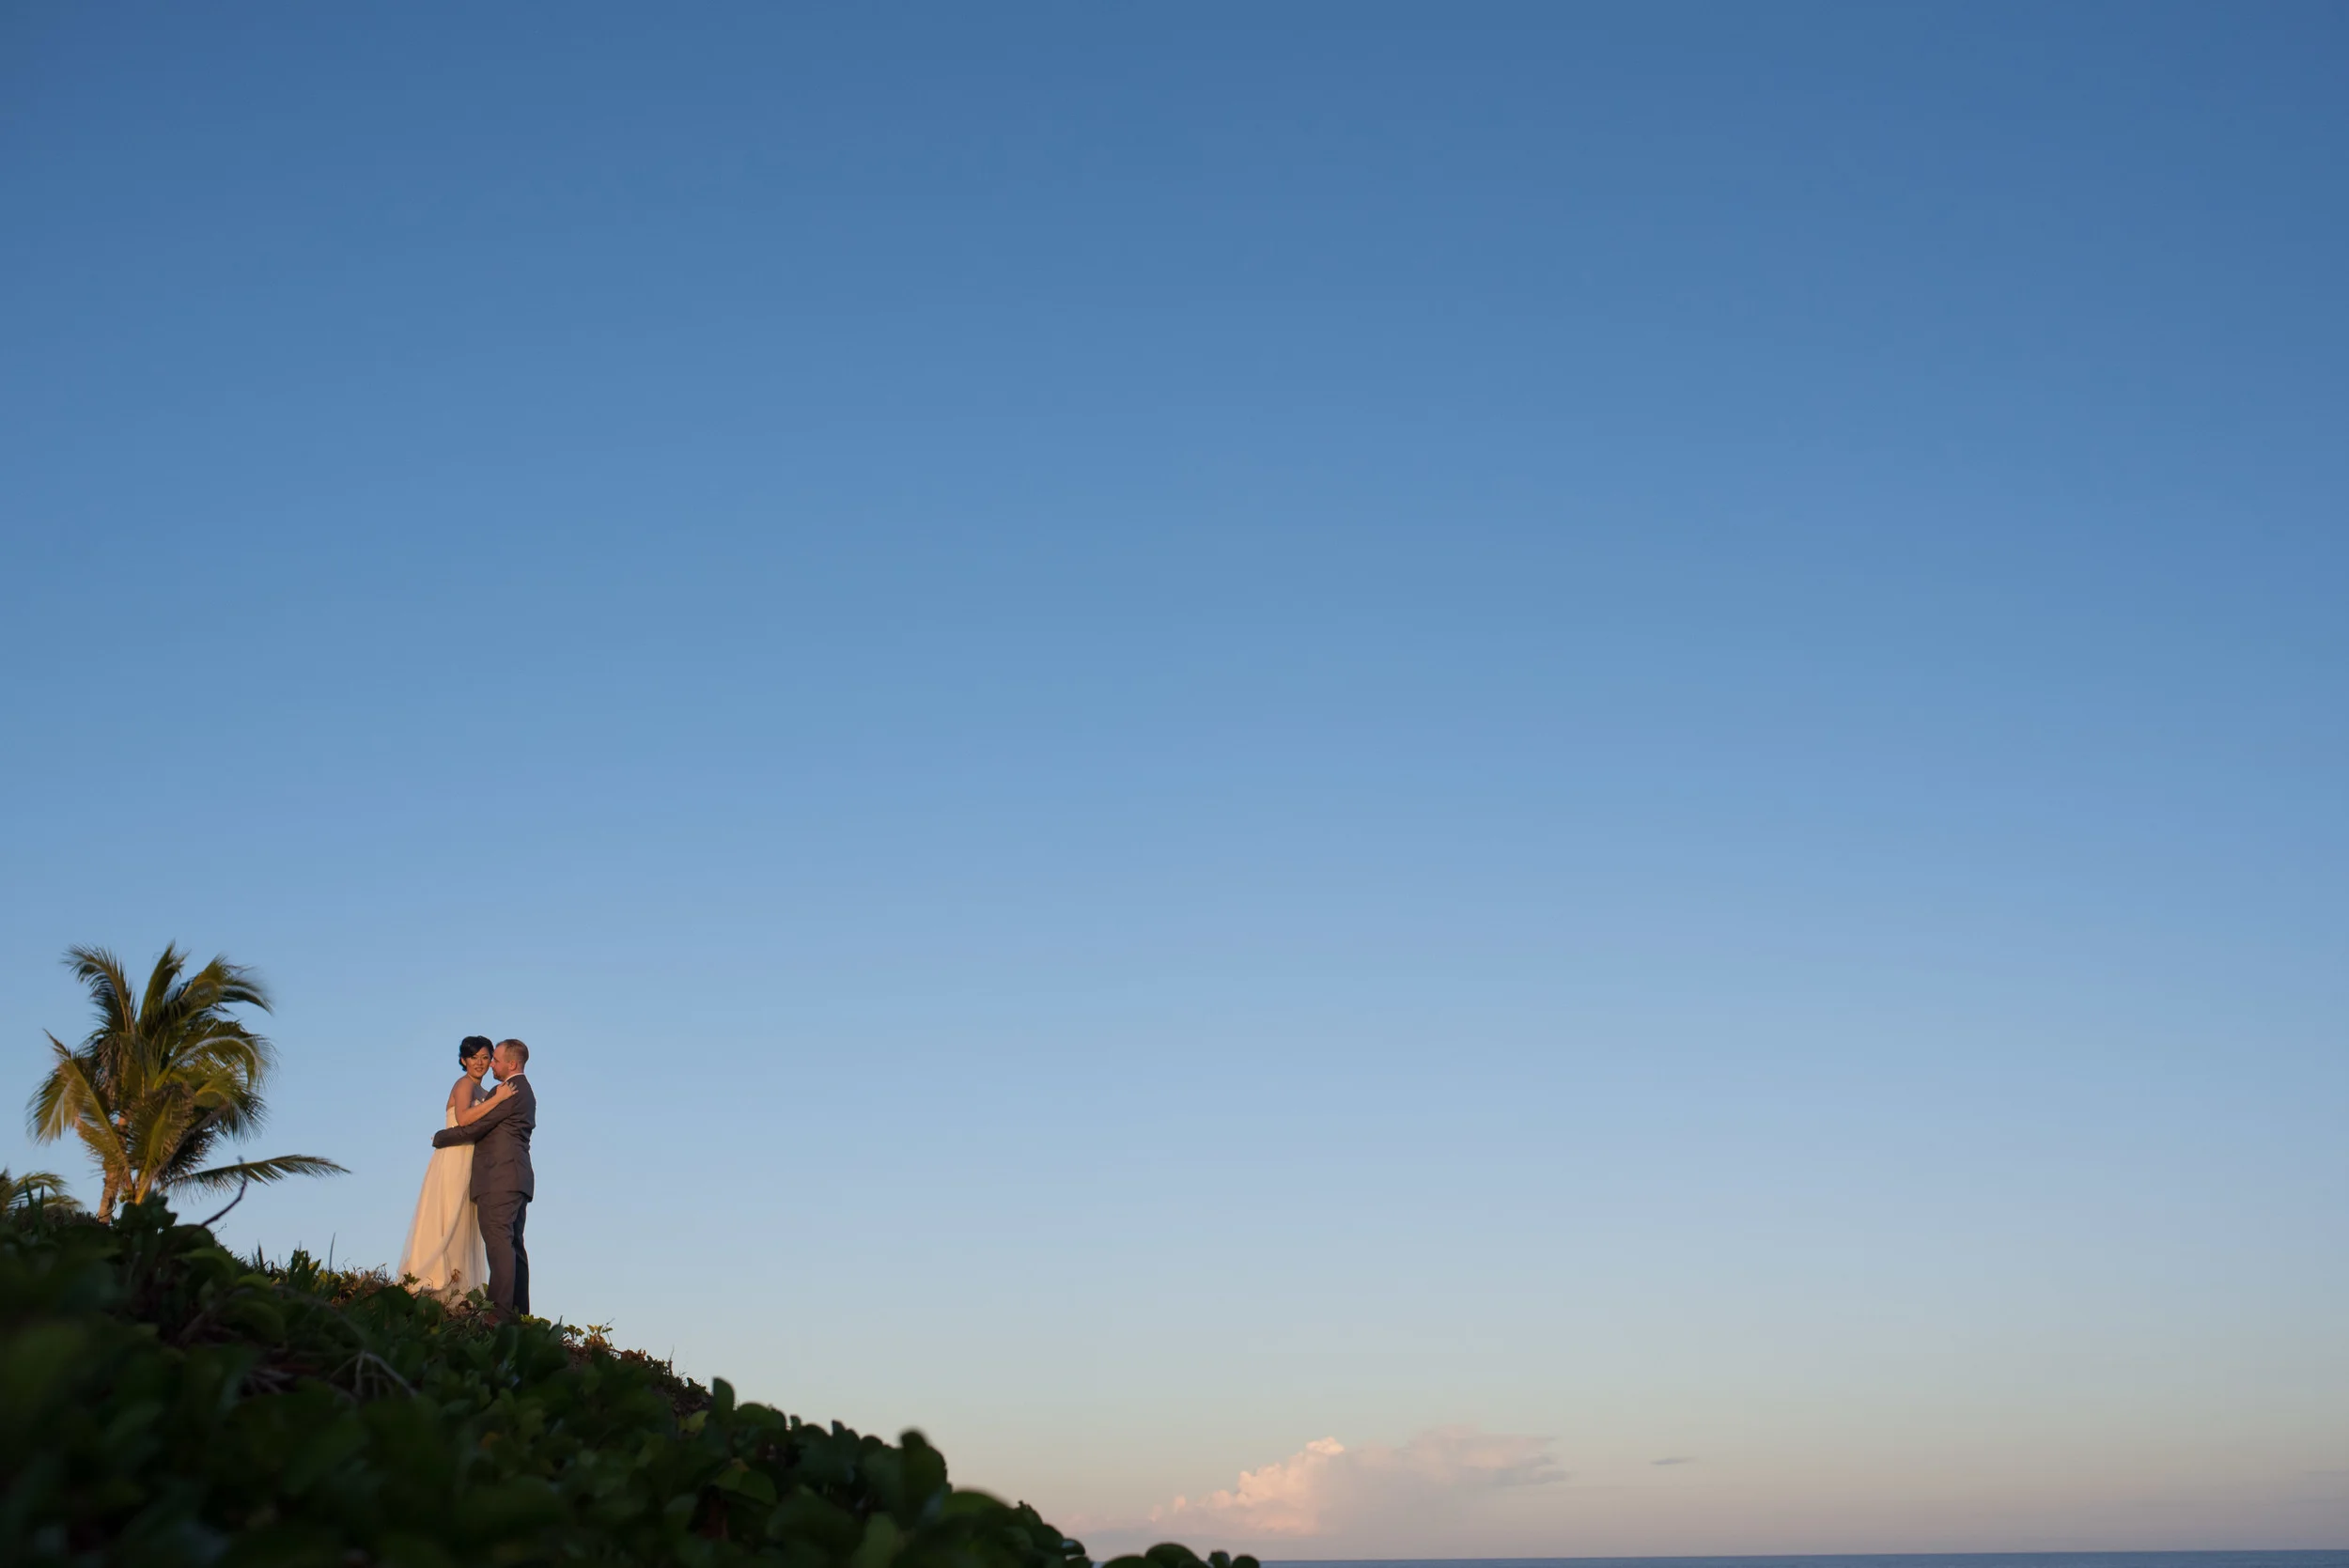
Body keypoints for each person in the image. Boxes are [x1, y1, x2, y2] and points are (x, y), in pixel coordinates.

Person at [431, 1036, 536, 1314]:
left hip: (500, 1178)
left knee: (500, 1242)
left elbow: (475, 1126)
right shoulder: (522, 1090)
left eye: (495, 1060)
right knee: (513, 1244)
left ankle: (499, 1312)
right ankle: (517, 1312)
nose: (490, 1065)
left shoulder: (511, 1089)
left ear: (511, 1063)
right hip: (515, 1178)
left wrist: (441, 1137)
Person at [396, 1034, 506, 1296]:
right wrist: (497, 1100)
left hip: (471, 1160)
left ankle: (456, 1283)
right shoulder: (464, 1084)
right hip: (454, 1158)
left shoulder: (483, 1090)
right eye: (473, 1058)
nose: (479, 1063)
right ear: (463, 1060)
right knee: (447, 1216)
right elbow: (464, 1118)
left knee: (463, 1222)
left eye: (484, 1057)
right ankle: (433, 1278)